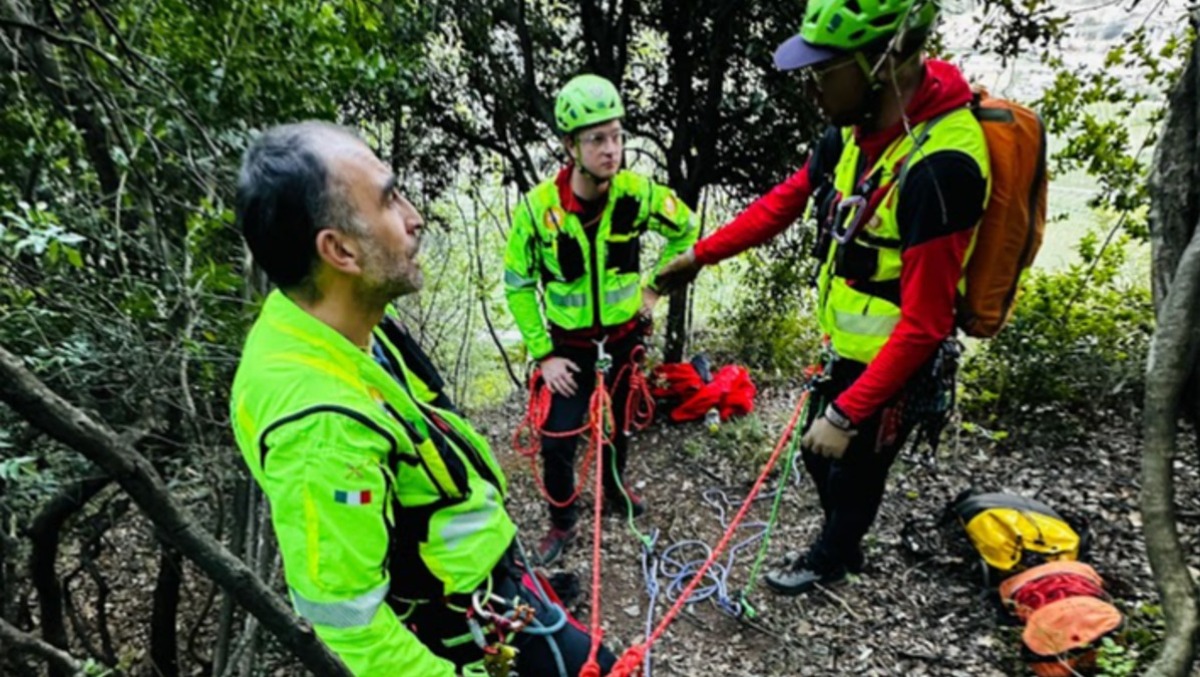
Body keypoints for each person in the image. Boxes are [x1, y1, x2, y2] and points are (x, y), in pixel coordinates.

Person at [230, 121, 615, 675]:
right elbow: (351, 628)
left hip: (484, 589)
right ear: (339, 250)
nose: (414, 217)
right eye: (390, 201)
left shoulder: (338, 327)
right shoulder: (320, 429)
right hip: (462, 630)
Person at [656, 0, 990, 595]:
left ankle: (833, 556)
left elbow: (926, 321)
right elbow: (785, 201)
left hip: (899, 359)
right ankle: (844, 542)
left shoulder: (941, 169)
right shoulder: (854, 132)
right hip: (851, 345)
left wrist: (847, 413)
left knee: (854, 469)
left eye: (824, 71)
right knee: (819, 456)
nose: (811, 88)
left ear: (884, 64)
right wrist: (700, 256)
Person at [503, 74, 699, 566]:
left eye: (616, 136)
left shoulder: (636, 194)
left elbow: (687, 230)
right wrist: (543, 354)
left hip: (623, 340)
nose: (611, 149)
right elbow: (518, 283)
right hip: (568, 350)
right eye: (596, 140)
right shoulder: (539, 210)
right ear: (570, 146)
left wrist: (654, 288)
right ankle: (562, 522)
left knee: (619, 426)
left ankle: (613, 491)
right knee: (557, 439)